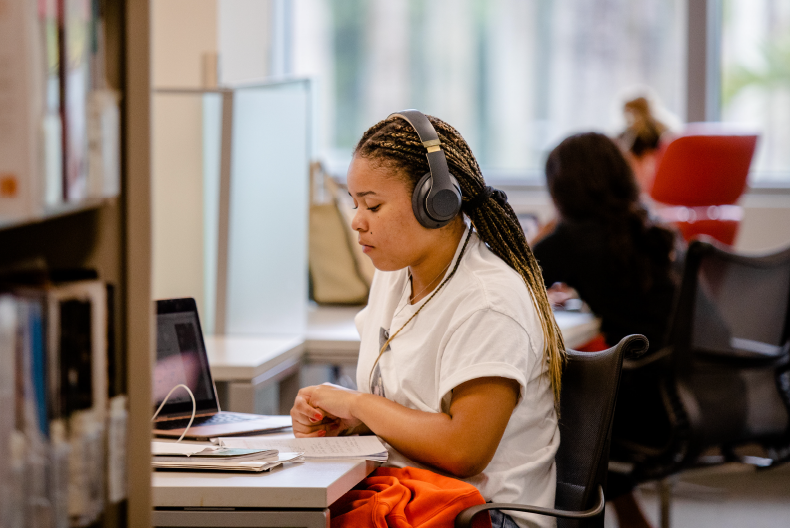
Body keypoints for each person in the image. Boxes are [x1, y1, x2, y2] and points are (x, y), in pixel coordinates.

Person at [290, 111, 566, 528]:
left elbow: (463, 449)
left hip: (484, 516)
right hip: (413, 496)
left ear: (437, 202)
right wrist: (347, 422)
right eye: (354, 204)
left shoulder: (488, 301)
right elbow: (405, 408)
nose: (356, 220)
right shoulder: (396, 277)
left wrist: (359, 404)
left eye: (373, 205)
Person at [532, 132, 681, 528]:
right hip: (677, 389)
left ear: (562, 187)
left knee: (542, 401)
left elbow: (511, 281)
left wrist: (546, 232)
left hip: (639, 403)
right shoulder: (651, 228)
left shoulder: (572, 239)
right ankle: (633, 519)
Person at [617, 96, 671, 193]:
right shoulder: (626, 135)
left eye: (630, 113)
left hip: (651, 185)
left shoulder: (660, 136)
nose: (627, 118)